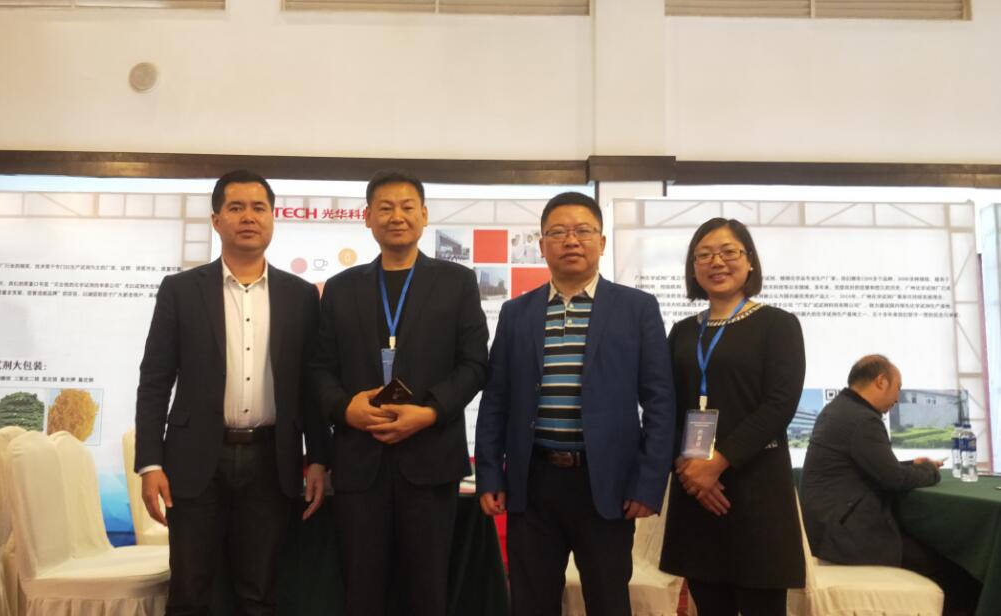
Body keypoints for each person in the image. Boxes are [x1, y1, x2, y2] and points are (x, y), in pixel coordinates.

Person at [135, 169, 329, 616]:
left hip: (271, 460)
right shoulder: (181, 291)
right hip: (195, 460)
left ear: (273, 218)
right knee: (190, 591)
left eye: (259, 208)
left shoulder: (300, 296)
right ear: (216, 220)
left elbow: (310, 384)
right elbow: (155, 379)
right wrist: (150, 462)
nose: (248, 217)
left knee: (260, 591)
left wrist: (319, 457)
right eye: (236, 207)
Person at [474, 192, 676, 616]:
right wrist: (490, 472)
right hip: (534, 483)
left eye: (583, 231)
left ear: (601, 242)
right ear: (541, 244)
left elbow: (660, 401)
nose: (571, 240)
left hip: (607, 484)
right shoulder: (516, 313)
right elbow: (496, 400)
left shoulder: (637, 308)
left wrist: (647, 483)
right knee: (531, 603)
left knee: (608, 601)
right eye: (558, 232)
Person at [311, 169, 489, 616]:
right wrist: (345, 409)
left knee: (427, 591)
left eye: (408, 207)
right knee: (362, 591)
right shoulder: (341, 288)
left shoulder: (457, 282)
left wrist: (430, 412)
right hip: (359, 461)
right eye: (385, 208)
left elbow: (474, 364)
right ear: (367, 217)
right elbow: (319, 369)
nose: (397, 216)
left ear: (424, 215)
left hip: (431, 459)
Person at [660, 217, 806, 616]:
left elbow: (779, 404)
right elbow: (666, 406)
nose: (717, 262)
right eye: (704, 255)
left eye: (728, 252)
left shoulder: (778, 325)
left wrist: (717, 463)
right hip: (696, 492)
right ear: (693, 267)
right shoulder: (682, 332)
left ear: (750, 260)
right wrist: (690, 471)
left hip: (756, 489)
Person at [801, 354, 978, 615]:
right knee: (958, 573)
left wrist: (911, 464)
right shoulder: (863, 419)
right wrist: (930, 471)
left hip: (828, 531)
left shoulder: (839, 409)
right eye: (898, 388)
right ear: (881, 381)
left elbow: (870, 466)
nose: (897, 398)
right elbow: (894, 479)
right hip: (850, 538)